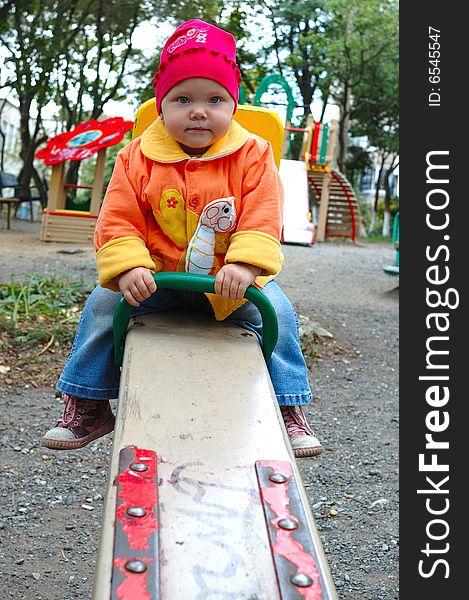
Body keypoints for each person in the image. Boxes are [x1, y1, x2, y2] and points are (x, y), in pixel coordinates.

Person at [42, 19, 324, 459]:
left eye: (215, 99)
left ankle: (287, 407)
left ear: (232, 105)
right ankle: (90, 401)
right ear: (161, 106)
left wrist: (246, 265)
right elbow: (118, 217)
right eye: (182, 99)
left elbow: (264, 213)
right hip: (156, 281)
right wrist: (130, 266)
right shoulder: (136, 156)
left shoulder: (252, 154)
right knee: (101, 304)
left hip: (229, 285)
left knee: (281, 314)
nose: (198, 111)